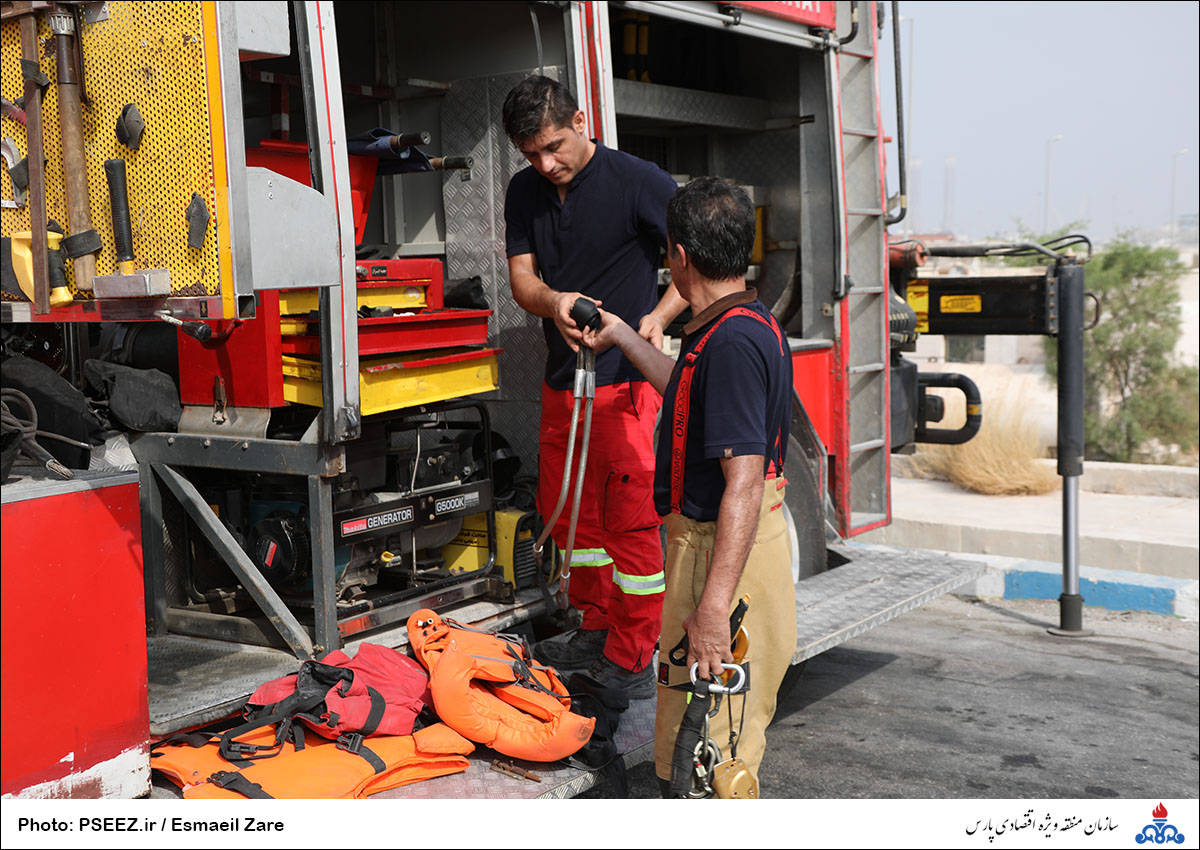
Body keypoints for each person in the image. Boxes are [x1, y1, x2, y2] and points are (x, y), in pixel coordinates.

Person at [581, 177, 797, 793]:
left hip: (720, 558)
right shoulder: (736, 325)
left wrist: (712, 610)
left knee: (710, 758)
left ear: (677, 255)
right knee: (701, 737)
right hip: (718, 552)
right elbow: (688, 389)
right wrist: (623, 334)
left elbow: (745, 484)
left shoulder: (730, 342)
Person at [501, 75, 687, 698]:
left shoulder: (638, 181)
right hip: (565, 386)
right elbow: (521, 278)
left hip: (626, 386)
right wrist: (555, 303)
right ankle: (595, 626)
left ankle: (635, 657)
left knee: (630, 526)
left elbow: (702, 263)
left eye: (554, 146)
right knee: (575, 520)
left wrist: (655, 322)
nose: (546, 164)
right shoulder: (525, 191)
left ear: (581, 120)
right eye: (532, 154)